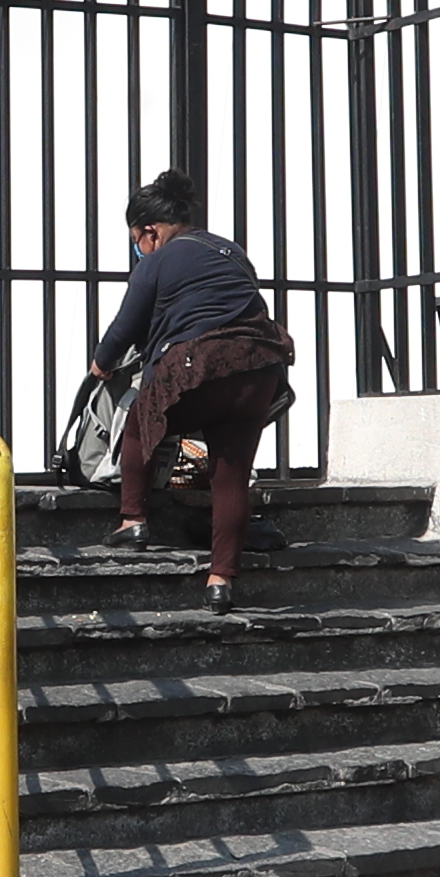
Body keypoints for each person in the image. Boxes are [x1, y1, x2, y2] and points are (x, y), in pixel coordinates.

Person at [89, 171, 293, 606]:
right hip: (260, 367)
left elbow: (126, 326)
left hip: (199, 366)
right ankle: (221, 580)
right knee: (231, 475)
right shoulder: (230, 250)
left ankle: (133, 521)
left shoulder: (158, 261)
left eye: (136, 239)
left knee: (141, 424)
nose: (138, 249)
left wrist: (102, 364)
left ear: (150, 231)